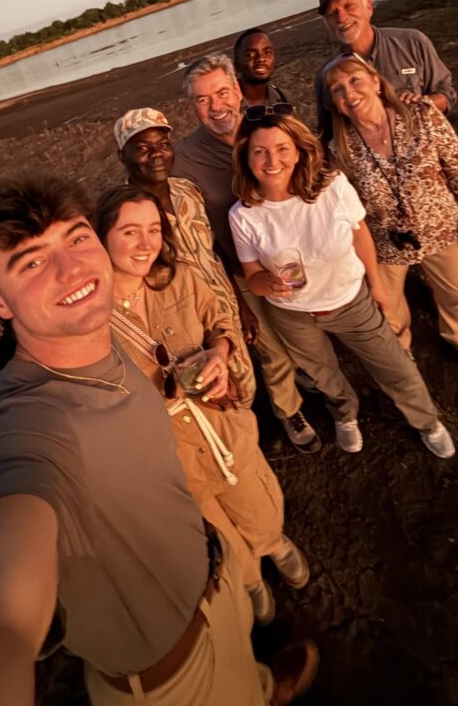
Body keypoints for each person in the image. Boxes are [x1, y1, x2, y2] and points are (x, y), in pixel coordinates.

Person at [0, 176, 318, 706]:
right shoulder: (26, 426)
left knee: (247, 668)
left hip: (213, 582)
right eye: (32, 262)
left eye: (78, 238)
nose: (73, 268)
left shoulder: (103, 346)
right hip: (176, 673)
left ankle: (264, 686)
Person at [95, 185, 310, 627]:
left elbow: (221, 317)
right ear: (102, 237)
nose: (146, 243)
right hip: (166, 449)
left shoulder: (180, 278)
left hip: (219, 418)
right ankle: (249, 578)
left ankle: (274, 543)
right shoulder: (91, 318)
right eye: (130, 232)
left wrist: (220, 350)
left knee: (253, 493)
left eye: (153, 229)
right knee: (210, 520)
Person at [228, 108, 456, 459]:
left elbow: (361, 235)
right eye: (259, 151)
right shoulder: (243, 214)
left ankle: (427, 422)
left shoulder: (331, 186)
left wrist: (376, 285)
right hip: (293, 314)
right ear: (246, 158)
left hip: (350, 300)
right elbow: (253, 276)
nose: (272, 160)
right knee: (323, 375)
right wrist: (268, 285)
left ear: (299, 150)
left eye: (282, 148)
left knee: (395, 366)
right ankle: (345, 415)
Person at [174, 53, 322, 454]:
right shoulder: (186, 157)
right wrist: (235, 298)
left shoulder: (269, 126)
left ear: (238, 90)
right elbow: (197, 233)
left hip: (295, 257)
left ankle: (311, 377)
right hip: (242, 271)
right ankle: (289, 410)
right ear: (194, 106)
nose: (216, 106)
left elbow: (310, 173)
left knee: (306, 332)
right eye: (203, 100)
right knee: (271, 348)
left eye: (222, 92)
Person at [325, 51, 458, 371]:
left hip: (441, 225)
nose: (349, 93)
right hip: (386, 241)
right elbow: (344, 204)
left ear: (375, 82)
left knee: (457, 292)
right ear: (334, 102)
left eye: (355, 80)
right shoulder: (339, 148)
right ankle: (401, 346)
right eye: (338, 89)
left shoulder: (420, 113)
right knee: (387, 303)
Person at [114, 106, 256, 407]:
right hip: (188, 320)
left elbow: (212, 250)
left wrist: (240, 304)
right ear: (121, 157)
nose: (156, 154)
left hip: (225, 306)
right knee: (211, 391)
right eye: (141, 148)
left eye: (163, 145)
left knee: (244, 375)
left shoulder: (188, 190)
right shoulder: (126, 215)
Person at [314, 0, 457, 143]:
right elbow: (329, 133)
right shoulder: (326, 75)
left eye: (349, 6)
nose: (342, 18)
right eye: (332, 13)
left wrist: (420, 104)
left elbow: (447, 96)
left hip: (425, 150)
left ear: (368, 7)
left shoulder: (412, 41)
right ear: (327, 23)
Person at [234, 28, 291, 106]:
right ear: (237, 65)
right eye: (250, 54)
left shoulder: (284, 98)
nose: (261, 58)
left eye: (267, 52)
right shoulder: (225, 103)